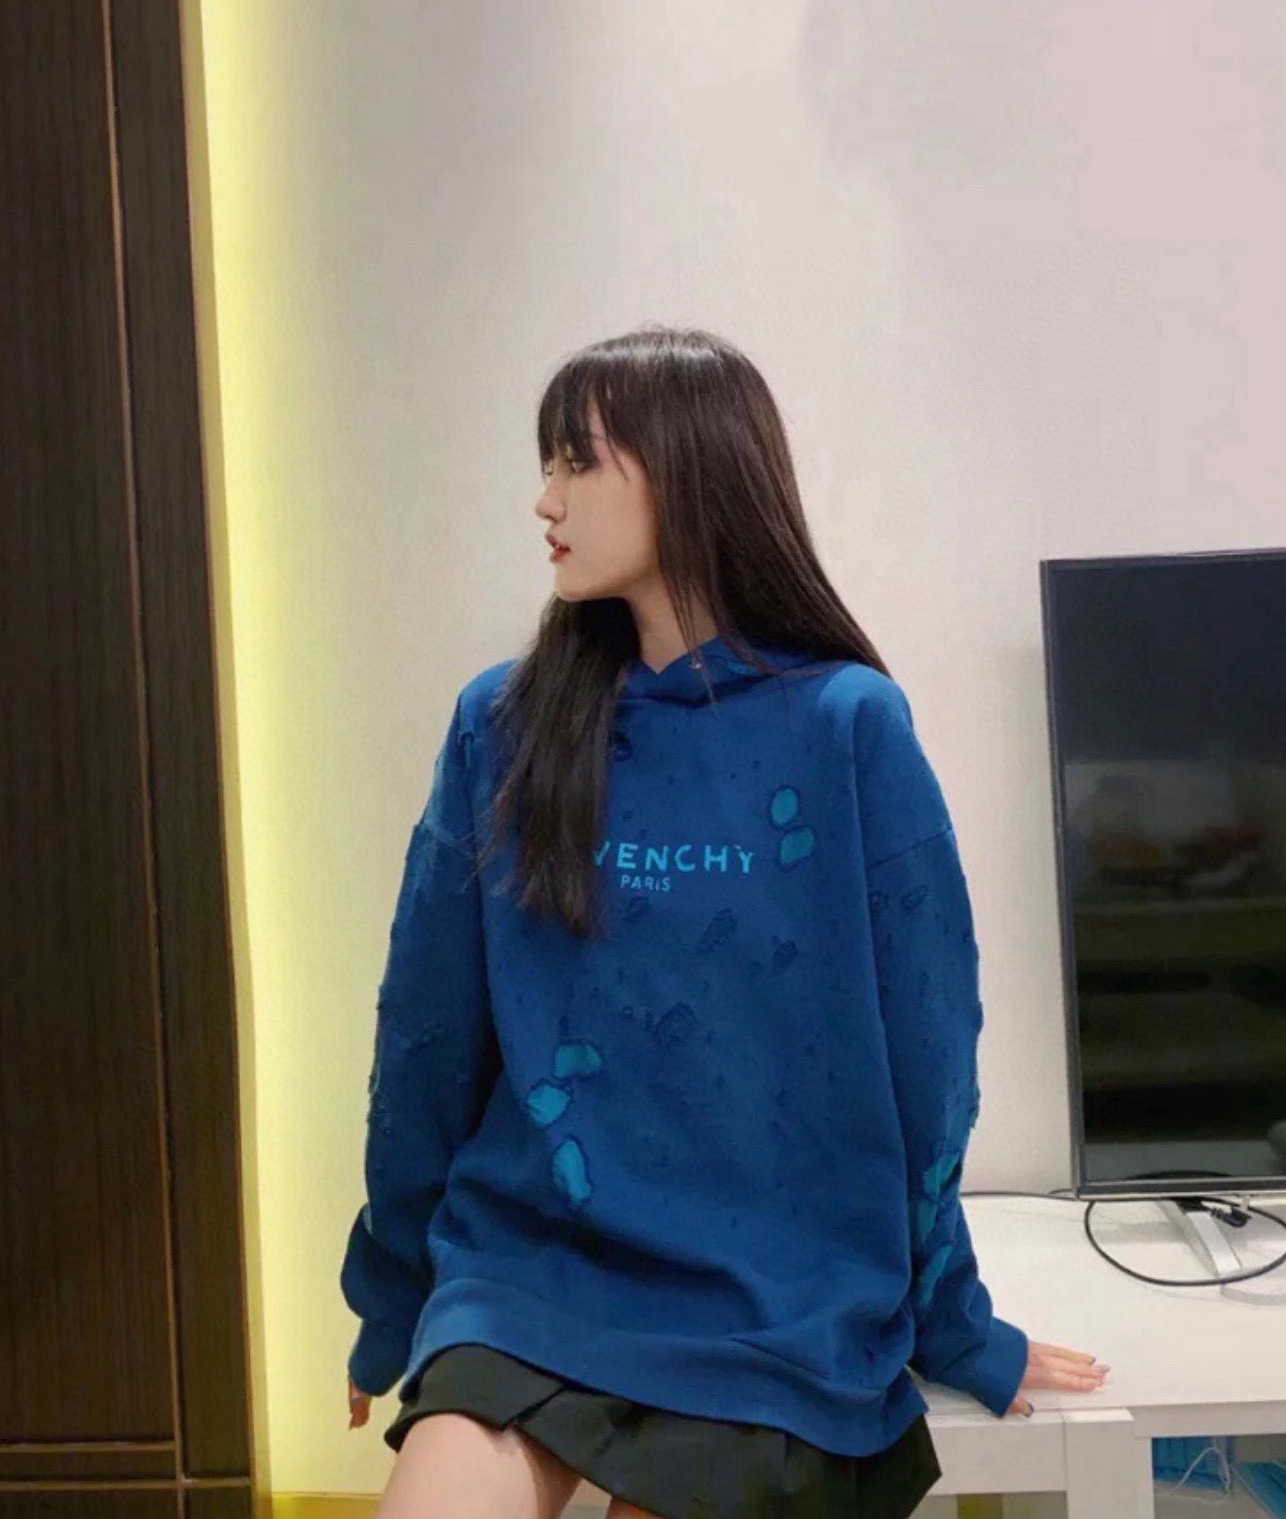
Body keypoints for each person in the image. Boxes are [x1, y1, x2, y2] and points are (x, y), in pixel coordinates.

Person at [340, 326, 1109, 1519]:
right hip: (534, 1271)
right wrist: (393, 1292)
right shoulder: (505, 724)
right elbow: (427, 1031)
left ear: (689, 471)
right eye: (546, 465)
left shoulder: (849, 728)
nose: (545, 500)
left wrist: (952, 1315)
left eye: (577, 462)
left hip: (778, 1294)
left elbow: (931, 1055)